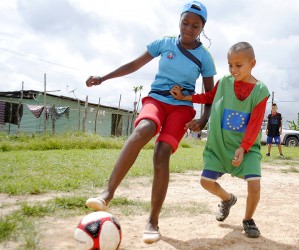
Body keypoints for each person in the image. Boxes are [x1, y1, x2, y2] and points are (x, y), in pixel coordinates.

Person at [85, 1, 216, 244]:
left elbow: (209, 94)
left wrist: (204, 118)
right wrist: (104, 77)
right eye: (185, 22)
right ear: (179, 21)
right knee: (144, 129)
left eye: (195, 25)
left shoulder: (205, 58)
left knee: (161, 152)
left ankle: (153, 221)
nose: (189, 28)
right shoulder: (164, 44)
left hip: (182, 108)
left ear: (203, 27)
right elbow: (134, 64)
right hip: (156, 99)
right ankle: (107, 193)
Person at [171, 41, 270, 238]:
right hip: (220, 145)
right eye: (230, 65)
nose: (233, 69)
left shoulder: (260, 91)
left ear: (253, 63)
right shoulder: (224, 82)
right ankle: (227, 199)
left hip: (246, 148)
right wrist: (185, 98)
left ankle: (248, 219)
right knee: (206, 182)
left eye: (239, 65)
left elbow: (255, 123)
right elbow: (209, 97)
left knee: (255, 185)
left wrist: (244, 147)